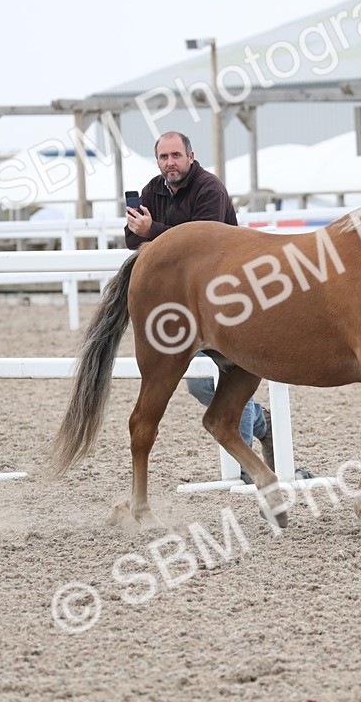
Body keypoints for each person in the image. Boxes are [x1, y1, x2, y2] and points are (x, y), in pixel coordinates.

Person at [125, 131, 273, 483]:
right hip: (183, 299)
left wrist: (152, 229)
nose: (170, 163)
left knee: (215, 380)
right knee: (203, 383)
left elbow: (203, 244)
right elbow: (132, 238)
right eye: (164, 157)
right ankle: (259, 425)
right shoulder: (152, 190)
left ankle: (247, 463)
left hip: (226, 297)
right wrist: (144, 229)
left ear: (191, 156)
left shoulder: (210, 189)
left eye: (176, 155)